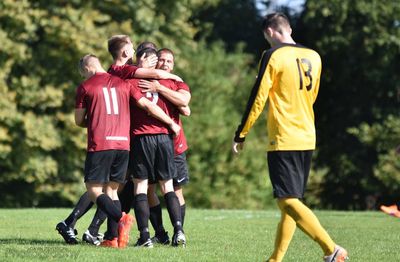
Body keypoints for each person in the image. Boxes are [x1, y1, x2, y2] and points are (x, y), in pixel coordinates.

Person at [231, 13, 348, 262]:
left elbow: (258, 98)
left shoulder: (273, 55)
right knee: (291, 201)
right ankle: (275, 259)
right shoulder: (314, 56)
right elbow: (312, 95)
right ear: (289, 29)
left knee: (286, 200)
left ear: (270, 32)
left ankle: (331, 249)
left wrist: (241, 132)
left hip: (284, 136)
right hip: (307, 135)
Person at [56, 54, 180, 247]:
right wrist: (171, 123)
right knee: (113, 191)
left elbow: (79, 120)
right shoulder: (124, 84)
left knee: (94, 190)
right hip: (124, 145)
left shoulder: (86, 87)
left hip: (100, 143)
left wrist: (96, 121)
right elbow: (147, 105)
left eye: (84, 74)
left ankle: (121, 217)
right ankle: (113, 239)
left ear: (87, 69)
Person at [138, 48, 191, 245]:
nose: (166, 63)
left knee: (175, 189)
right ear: (155, 62)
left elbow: (185, 104)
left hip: (174, 145)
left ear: (173, 65)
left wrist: (160, 89)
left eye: (169, 61)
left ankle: (180, 231)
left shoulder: (176, 83)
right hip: (149, 143)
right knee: (150, 189)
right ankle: (160, 232)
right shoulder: (143, 82)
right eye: (162, 60)